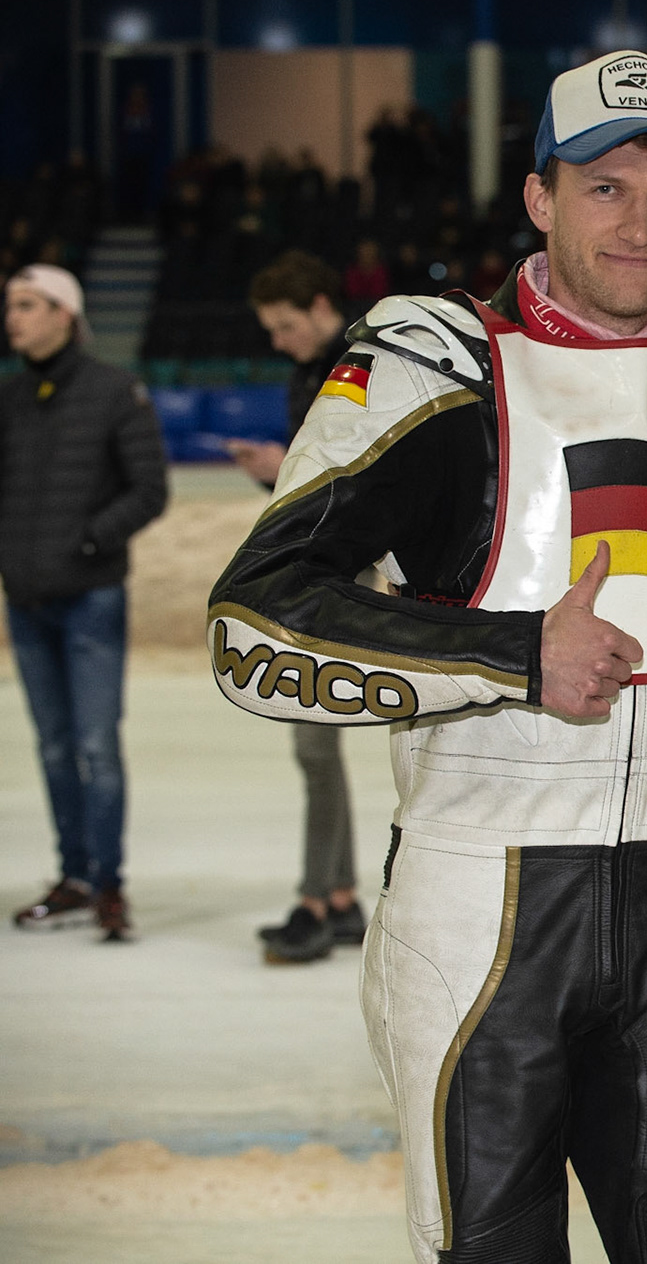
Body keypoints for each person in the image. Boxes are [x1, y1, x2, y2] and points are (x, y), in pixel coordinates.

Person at [206, 52, 647, 1263]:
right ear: (540, 198)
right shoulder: (436, 362)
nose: (640, 220)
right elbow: (255, 620)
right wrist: (512, 654)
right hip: (477, 912)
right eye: (604, 186)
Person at [4, 264, 168, 942]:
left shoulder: (112, 391)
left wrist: (91, 541)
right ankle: (73, 877)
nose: (12, 316)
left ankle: (108, 885)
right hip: (28, 603)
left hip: (91, 600)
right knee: (52, 747)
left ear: (64, 314)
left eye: (26, 304)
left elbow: (149, 488)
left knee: (97, 746)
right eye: (10, 305)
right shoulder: (10, 398)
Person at [235, 250, 365, 964]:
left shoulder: (364, 368)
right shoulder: (309, 376)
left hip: (345, 582)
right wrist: (276, 474)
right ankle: (339, 897)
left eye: (286, 326)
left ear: (321, 307)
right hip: (325, 573)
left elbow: (356, 485)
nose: (278, 341)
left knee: (313, 744)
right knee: (316, 747)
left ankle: (319, 901)